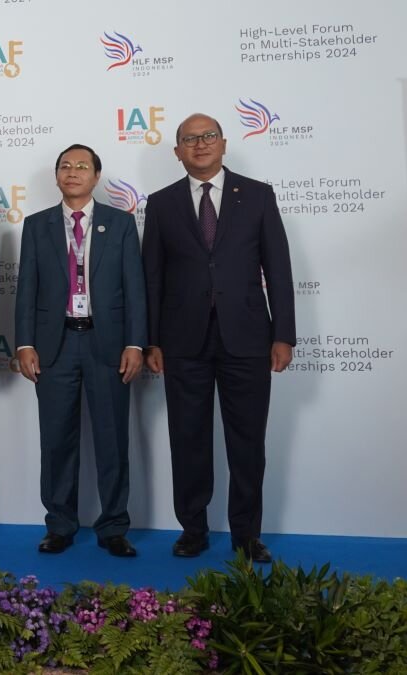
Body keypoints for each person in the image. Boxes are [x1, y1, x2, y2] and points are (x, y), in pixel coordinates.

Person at [142, 113, 295, 563]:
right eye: (190, 139)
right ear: (177, 151)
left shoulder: (259, 195)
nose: (201, 144)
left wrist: (282, 333)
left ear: (224, 144)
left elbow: (279, 269)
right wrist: (152, 340)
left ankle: (247, 534)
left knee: (247, 441)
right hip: (181, 340)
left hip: (247, 337)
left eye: (208, 136)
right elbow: (152, 277)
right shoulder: (162, 202)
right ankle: (193, 529)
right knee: (187, 439)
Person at [14, 144, 146, 558]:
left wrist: (134, 342)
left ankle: (114, 527)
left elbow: (136, 289)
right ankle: (59, 525)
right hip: (56, 345)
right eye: (65, 166)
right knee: (56, 441)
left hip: (106, 345)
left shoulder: (120, 223)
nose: (72, 172)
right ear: (56, 176)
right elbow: (26, 290)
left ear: (96, 176)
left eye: (82, 166)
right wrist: (24, 342)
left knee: (112, 439)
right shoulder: (37, 225)